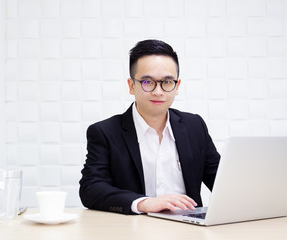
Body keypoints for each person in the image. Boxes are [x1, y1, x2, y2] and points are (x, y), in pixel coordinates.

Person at [79, 39, 220, 215]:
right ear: (132, 86)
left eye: (167, 82)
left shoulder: (194, 126)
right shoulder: (105, 132)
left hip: (189, 229)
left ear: (177, 86)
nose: (158, 92)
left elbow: (222, 182)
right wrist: (143, 203)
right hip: (134, 229)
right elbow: (91, 189)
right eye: (147, 82)